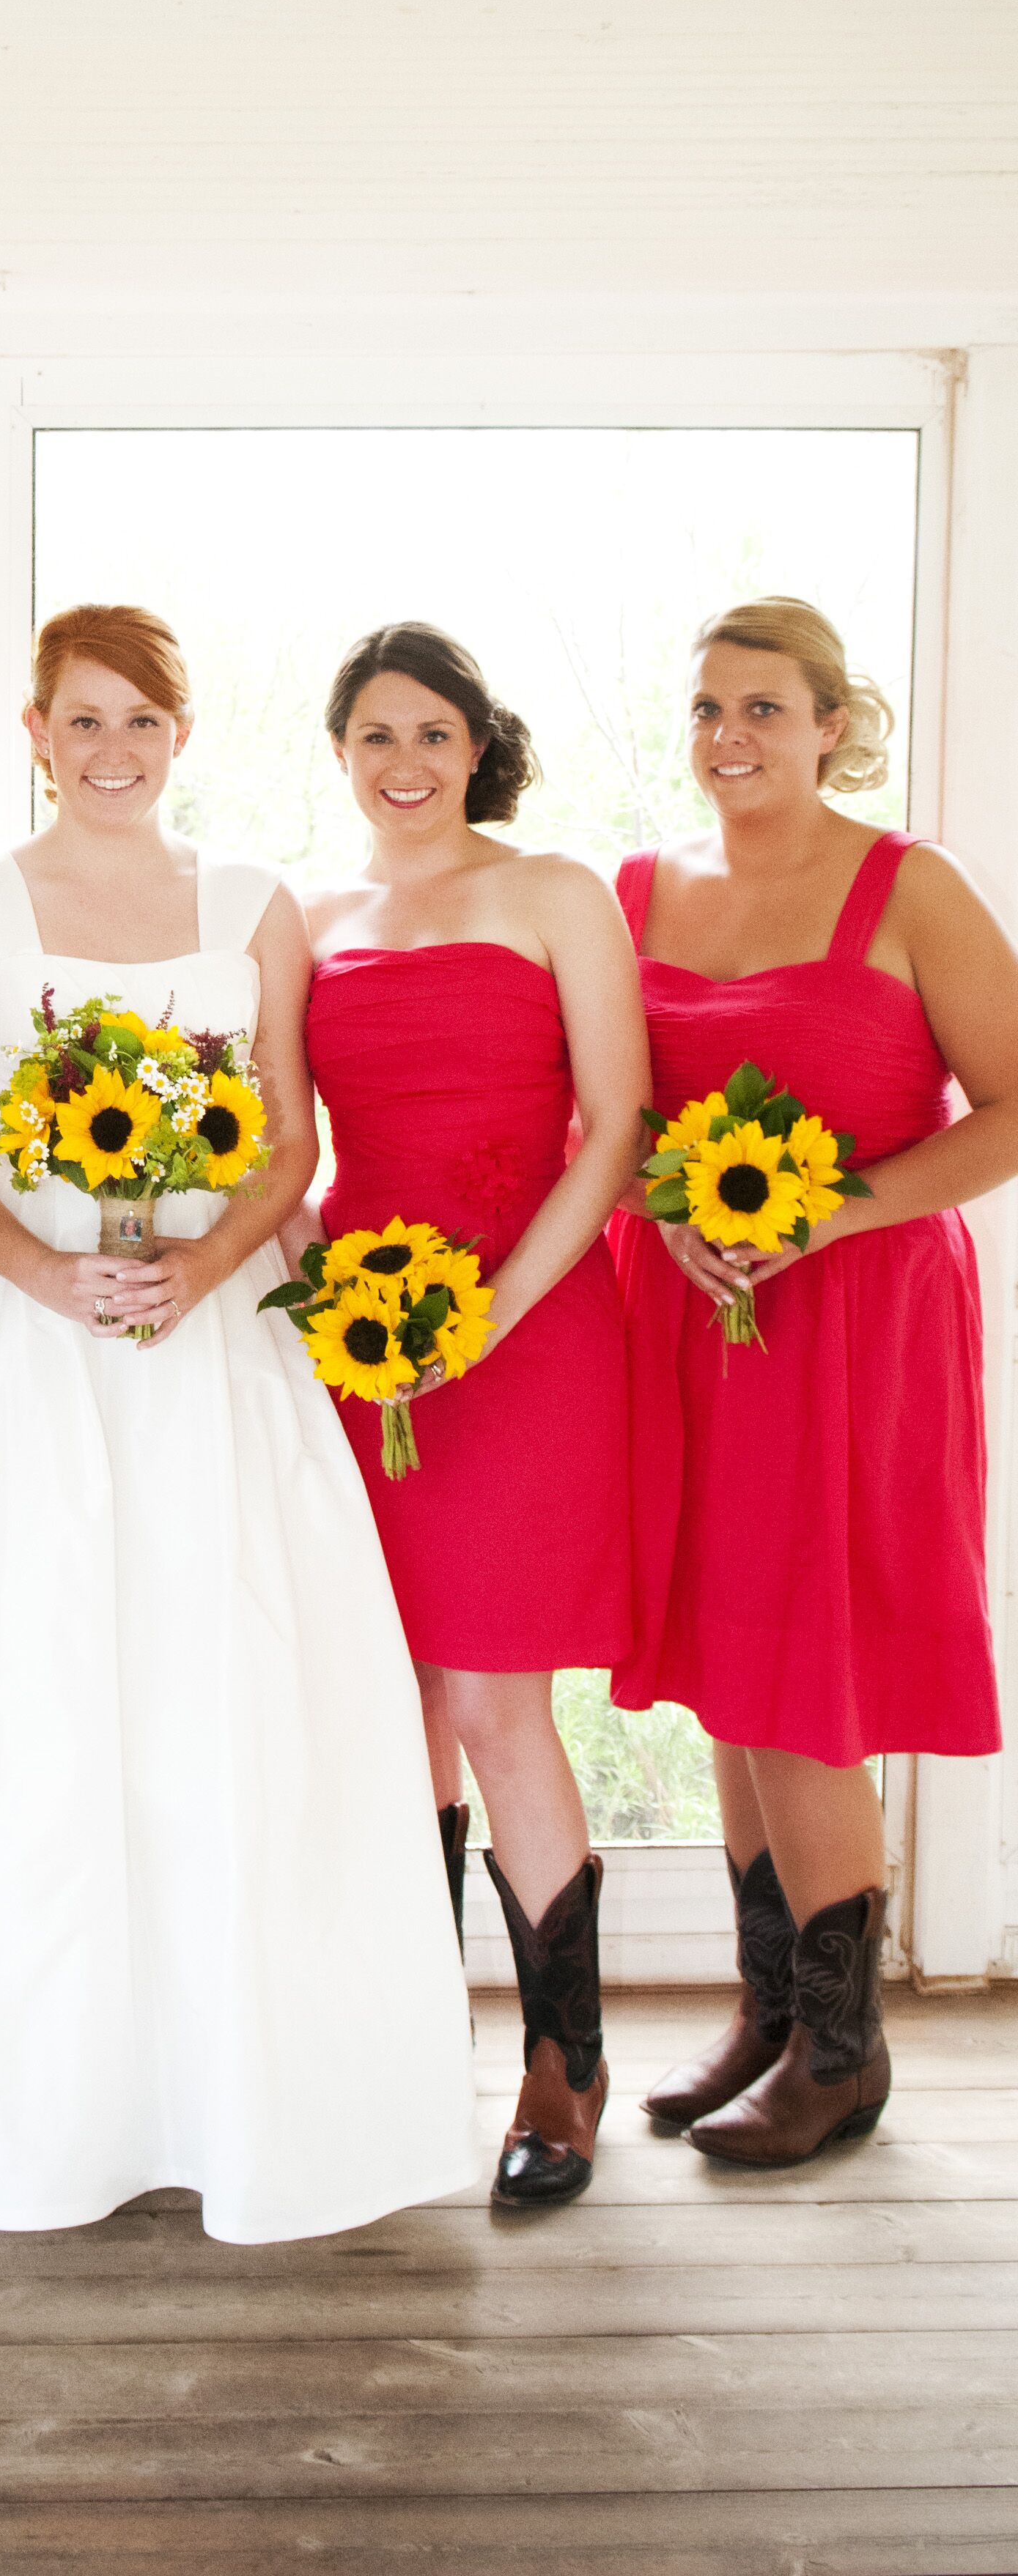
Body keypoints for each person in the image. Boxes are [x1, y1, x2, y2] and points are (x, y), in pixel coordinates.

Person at [0, 603, 477, 2243]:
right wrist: (44, 1270)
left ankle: (222, 2088)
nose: (110, 748)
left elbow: (284, 1142)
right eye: (80, 720)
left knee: (222, 1684)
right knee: (20, 1690)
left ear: (178, 735)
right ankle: (24, 2094)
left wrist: (196, 1261)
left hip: (208, 1345)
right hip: (19, 1345)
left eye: (141, 720)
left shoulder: (251, 904)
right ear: (35, 733)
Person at [615, 597, 1013, 2165]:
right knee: (728, 1658)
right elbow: (617, 1107)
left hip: (854, 1320)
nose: (730, 734)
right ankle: (771, 2006)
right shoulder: (638, 886)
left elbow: (1009, 1106)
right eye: (707, 704)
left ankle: (845, 2054)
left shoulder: (909, 884)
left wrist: (832, 1210)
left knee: (802, 1667)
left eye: (763, 706)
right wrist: (671, 1208)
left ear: (831, 720)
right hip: (696, 1313)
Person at [304, 623, 644, 2206]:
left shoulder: (554, 891)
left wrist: (490, 1310)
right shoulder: (302, 920)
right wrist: (332, 1301)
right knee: (385, 1711)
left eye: (430, 730)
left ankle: (560, 2068)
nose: (403, 760)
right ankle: (390, 2053)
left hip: (528, 1329)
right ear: (340, 750)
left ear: (475, 742)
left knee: (498, 1700)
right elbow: (273, 1155)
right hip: (356, 1355)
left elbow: (618, 1123)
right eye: (374, 732)